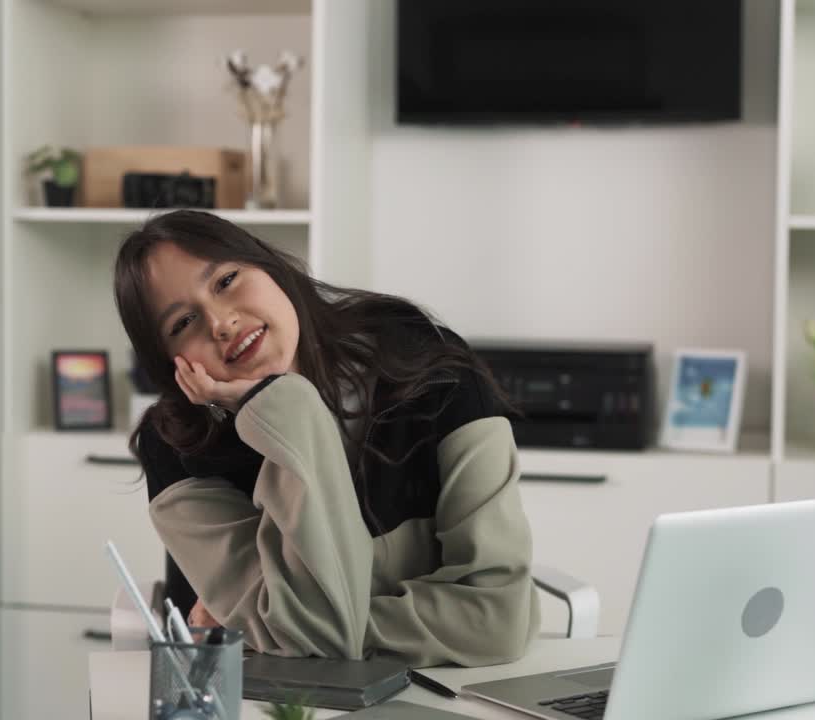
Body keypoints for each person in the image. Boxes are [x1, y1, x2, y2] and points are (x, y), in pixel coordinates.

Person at [112, 209, 539, 668]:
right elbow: (316, 635)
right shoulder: (174, 451)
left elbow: (497, 618)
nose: (220, 322)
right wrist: (286, 414)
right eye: (182, 323)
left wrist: (286, 630)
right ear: (172, 364)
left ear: (270, 267)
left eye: (226, 280)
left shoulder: (427, 366)